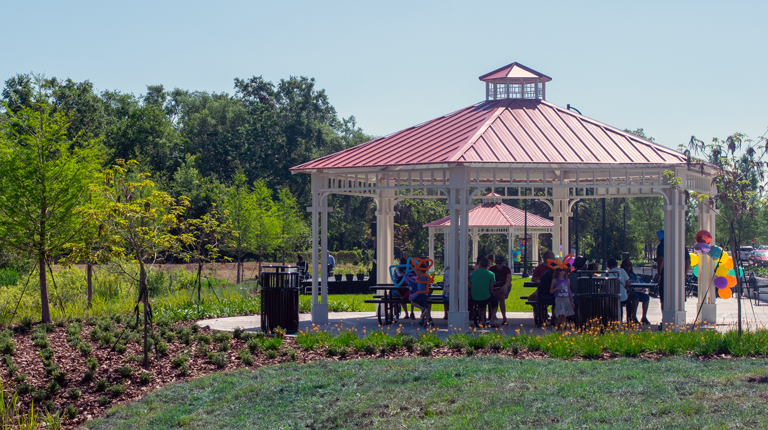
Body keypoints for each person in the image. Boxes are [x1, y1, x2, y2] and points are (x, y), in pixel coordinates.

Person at [469, 257, 500, 327]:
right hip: (485, 296)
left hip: (474, 296)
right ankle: (491, 320)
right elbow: (491, 289)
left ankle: (482, 320)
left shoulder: (473, 273)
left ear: (479, 264)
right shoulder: (491, 274)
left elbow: (472, 283)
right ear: (488, 265)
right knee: (495, 302)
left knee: (482, 305)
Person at [607, 258, 639, 324]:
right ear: (616, 264)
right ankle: (629, 320)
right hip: (623, 297)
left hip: (611, 298)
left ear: (608, 266)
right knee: (628, 303)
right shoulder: (622, 270)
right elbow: (628, 284)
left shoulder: (606, 273)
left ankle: (617, 320)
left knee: (616, 303)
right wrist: (625, 288)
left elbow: (604, 288)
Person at [621, 259, 650, 325]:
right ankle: (633, 317)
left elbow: (637, 284)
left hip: (636, 291)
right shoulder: (621, 274)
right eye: (626, 265)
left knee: (646, 297)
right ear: (623, 266)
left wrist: (641, 289)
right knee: (635, 296)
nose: (628, 267)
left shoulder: (633, 275)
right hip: (627, 292)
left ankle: (644, 317)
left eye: (630, 265)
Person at [406, 260, 433, 326]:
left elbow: (417, 274)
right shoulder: (426, 276)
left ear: (420, 270)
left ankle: (422, 309)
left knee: (412, 302)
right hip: (425, 295)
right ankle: (427, 321)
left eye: (418, 270)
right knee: (424, 307)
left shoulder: (421, 276)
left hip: (421, 294)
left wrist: (413, 268)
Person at [489, 255, 512, 325]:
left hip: (502, 288)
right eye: (497, 263)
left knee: (506, 288)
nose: (498, 265)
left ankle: (504, 318)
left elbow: (509, 279)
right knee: (501, 297)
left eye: (500, 263)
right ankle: (504, 318)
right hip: (494, 289)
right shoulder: (492, 269)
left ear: (503, 262)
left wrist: (505, 286)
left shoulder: (506, 269)